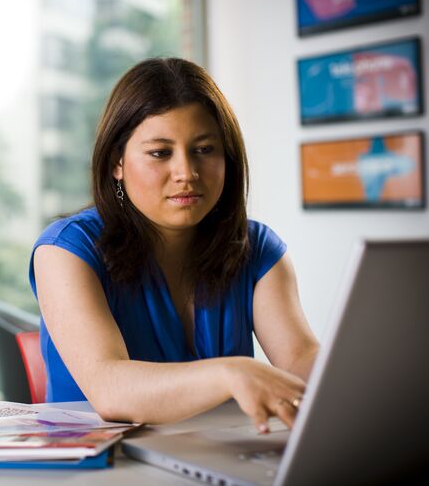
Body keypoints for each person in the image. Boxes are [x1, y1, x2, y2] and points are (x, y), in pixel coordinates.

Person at [29, 57, 320, 433]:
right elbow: (110, 389)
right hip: (102, 470)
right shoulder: (65, 250)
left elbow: (299, 358)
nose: (187, 173)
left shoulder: (258, 248)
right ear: (117, 161)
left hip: (217, 461)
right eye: (160, 153)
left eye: (204, 149)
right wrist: (231, 373)